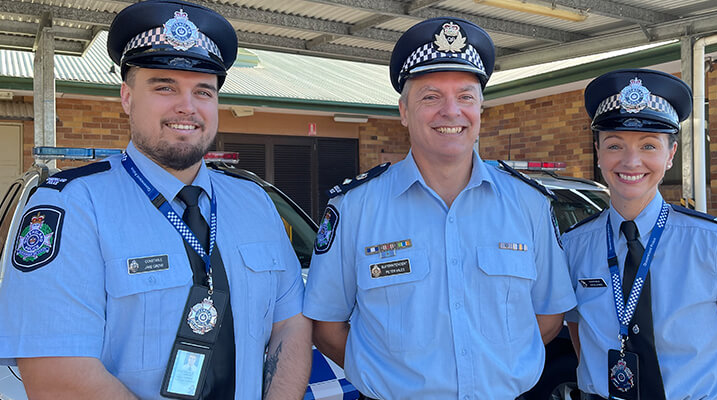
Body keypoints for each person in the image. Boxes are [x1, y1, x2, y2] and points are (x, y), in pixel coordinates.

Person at [0, 1, 311, 399]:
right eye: (165, 86)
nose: (187, 106)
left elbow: (292, 323)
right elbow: (55, 373)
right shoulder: (72, 207)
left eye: (204, 90)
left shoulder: (255, 202)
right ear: (127, 97)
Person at [303, 17, 576, 400]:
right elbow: (327, 324)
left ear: (481, 109)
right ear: (403, 111)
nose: (451, 111)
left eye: (465, 97)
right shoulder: (355, 207)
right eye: (430, 97)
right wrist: (391, 377)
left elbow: (549, 316)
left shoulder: (529, 203)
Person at [563, 69, 717, 400]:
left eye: (649, 145)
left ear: (670, 155)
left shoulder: (714, 243)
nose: (631, 161)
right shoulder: (574, 245)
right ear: (598, 152)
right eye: (614, 145)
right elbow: (582, 338)